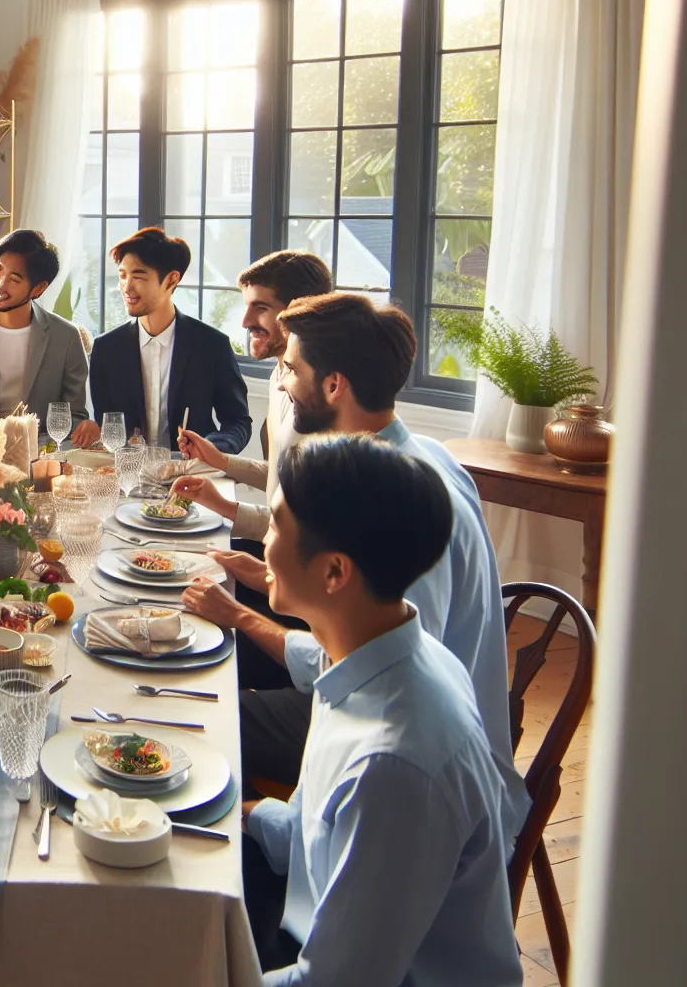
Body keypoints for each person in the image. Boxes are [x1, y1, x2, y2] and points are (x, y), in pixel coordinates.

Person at [174, 293, 527, 839]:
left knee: (202, 711)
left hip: (417, 767)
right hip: (381, 707)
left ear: (334, 384)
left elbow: (386, 666)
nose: (284, 385)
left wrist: (246, 617)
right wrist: (265, 580)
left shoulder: (396, 500)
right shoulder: (402, 458)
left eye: (291, 369)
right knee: (206, 653)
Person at [241, 434, 522, 985]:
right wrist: (231, 815)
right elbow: (308, 833)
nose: (263, 546)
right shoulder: (368, 657)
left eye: (275, 526)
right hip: (313, 924)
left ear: (334, 573)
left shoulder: (394, 764)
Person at [176, 250, 333, 539]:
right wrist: (222, 461)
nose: (245, 321)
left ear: (299, 313)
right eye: (247, 306)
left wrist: (224, 506)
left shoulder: (325, 400)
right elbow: (282, 475)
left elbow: (313, 532)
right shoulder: (279, 376)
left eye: (260, 307)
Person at [85, 226, 251, 453]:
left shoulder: (212, 346)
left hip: (191, 475)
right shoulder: (106, 349)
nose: (127, 286)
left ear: (172, 279)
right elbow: (107, 426)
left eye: (139, 275)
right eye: (123, 275)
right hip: (128, 478)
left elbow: (237, 421)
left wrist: (210, 448)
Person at [0, 229, 92, 438]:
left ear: (38, 288)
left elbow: (75, 415)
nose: (0, 284)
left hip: (41, 456)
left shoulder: (66, 337)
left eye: (14, 279)